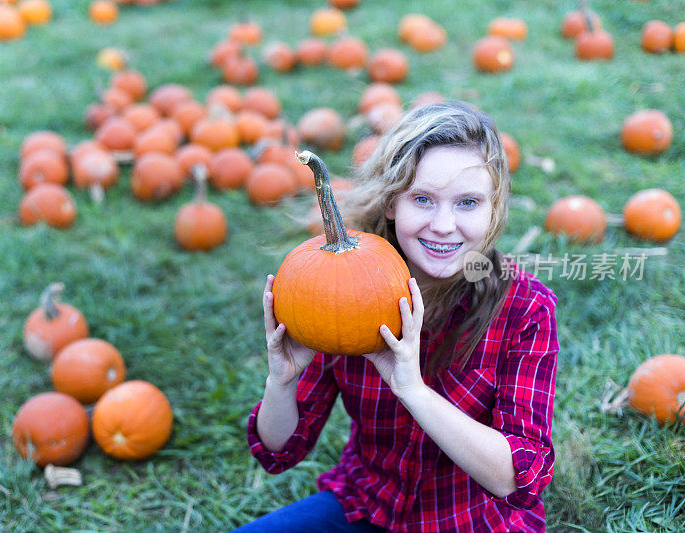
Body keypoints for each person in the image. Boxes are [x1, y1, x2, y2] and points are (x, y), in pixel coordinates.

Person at [235, 101, 559, 532]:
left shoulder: (525, 308)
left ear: (492, 208)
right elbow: (280, 451)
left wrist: (413, 390)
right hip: (368, 504)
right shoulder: (339, 291)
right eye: (422, 199)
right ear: (392, 203)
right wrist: (282, 380)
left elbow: (520, 475)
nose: (444, 225)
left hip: (472, 521)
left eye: (468, 202)